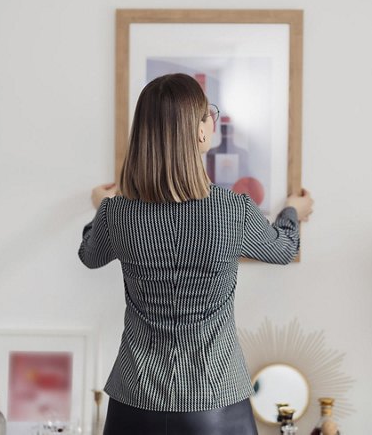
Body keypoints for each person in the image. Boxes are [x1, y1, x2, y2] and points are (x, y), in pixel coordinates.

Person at [79, 73, 314, 435]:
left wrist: (102, 205)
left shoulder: (116, 213)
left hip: (135, 398)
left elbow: (89, 255)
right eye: (210, 114)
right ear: (200, 132)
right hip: (216, 400)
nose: (213, 120)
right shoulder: (233, 210)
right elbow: (283, 248)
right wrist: (292, 212)